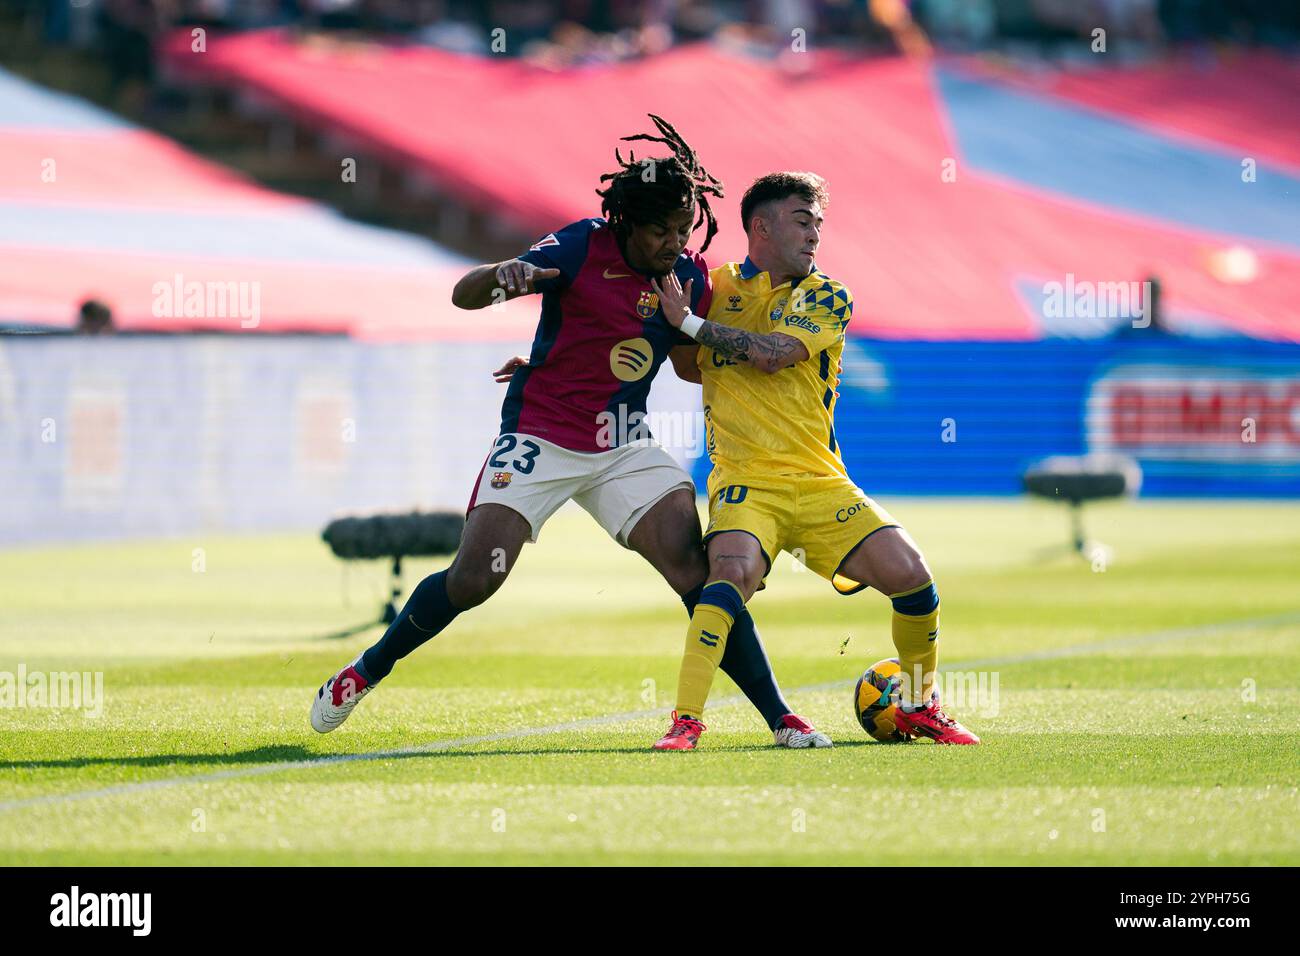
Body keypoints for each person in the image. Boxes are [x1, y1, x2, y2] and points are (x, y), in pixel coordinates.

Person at [310, 118, 830, 749]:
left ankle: (781, 716)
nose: (674, 242)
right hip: (543, 434)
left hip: (622, 443)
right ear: (627, 223)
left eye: (683, 229)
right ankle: (364, 673)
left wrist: (706, 341)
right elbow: (462, 295)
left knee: (696, 570)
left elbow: (693, 369)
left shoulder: (688, 277)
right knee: (476, 578)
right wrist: (510, 275)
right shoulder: (582, 246)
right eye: (661, 230)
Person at [648, 171, 980, 749]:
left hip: (820, 482)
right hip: (746, 482)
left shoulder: (827, 293)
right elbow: (685, 365)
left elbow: (776, 354)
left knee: (913, 576)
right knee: (727, 578)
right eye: (803, 221)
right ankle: (686, 720)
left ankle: (920, 705)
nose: (815, 235)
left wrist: (692, 325)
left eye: (819, 224)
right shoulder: (712, 285)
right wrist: (676, 327)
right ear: (761, 226)